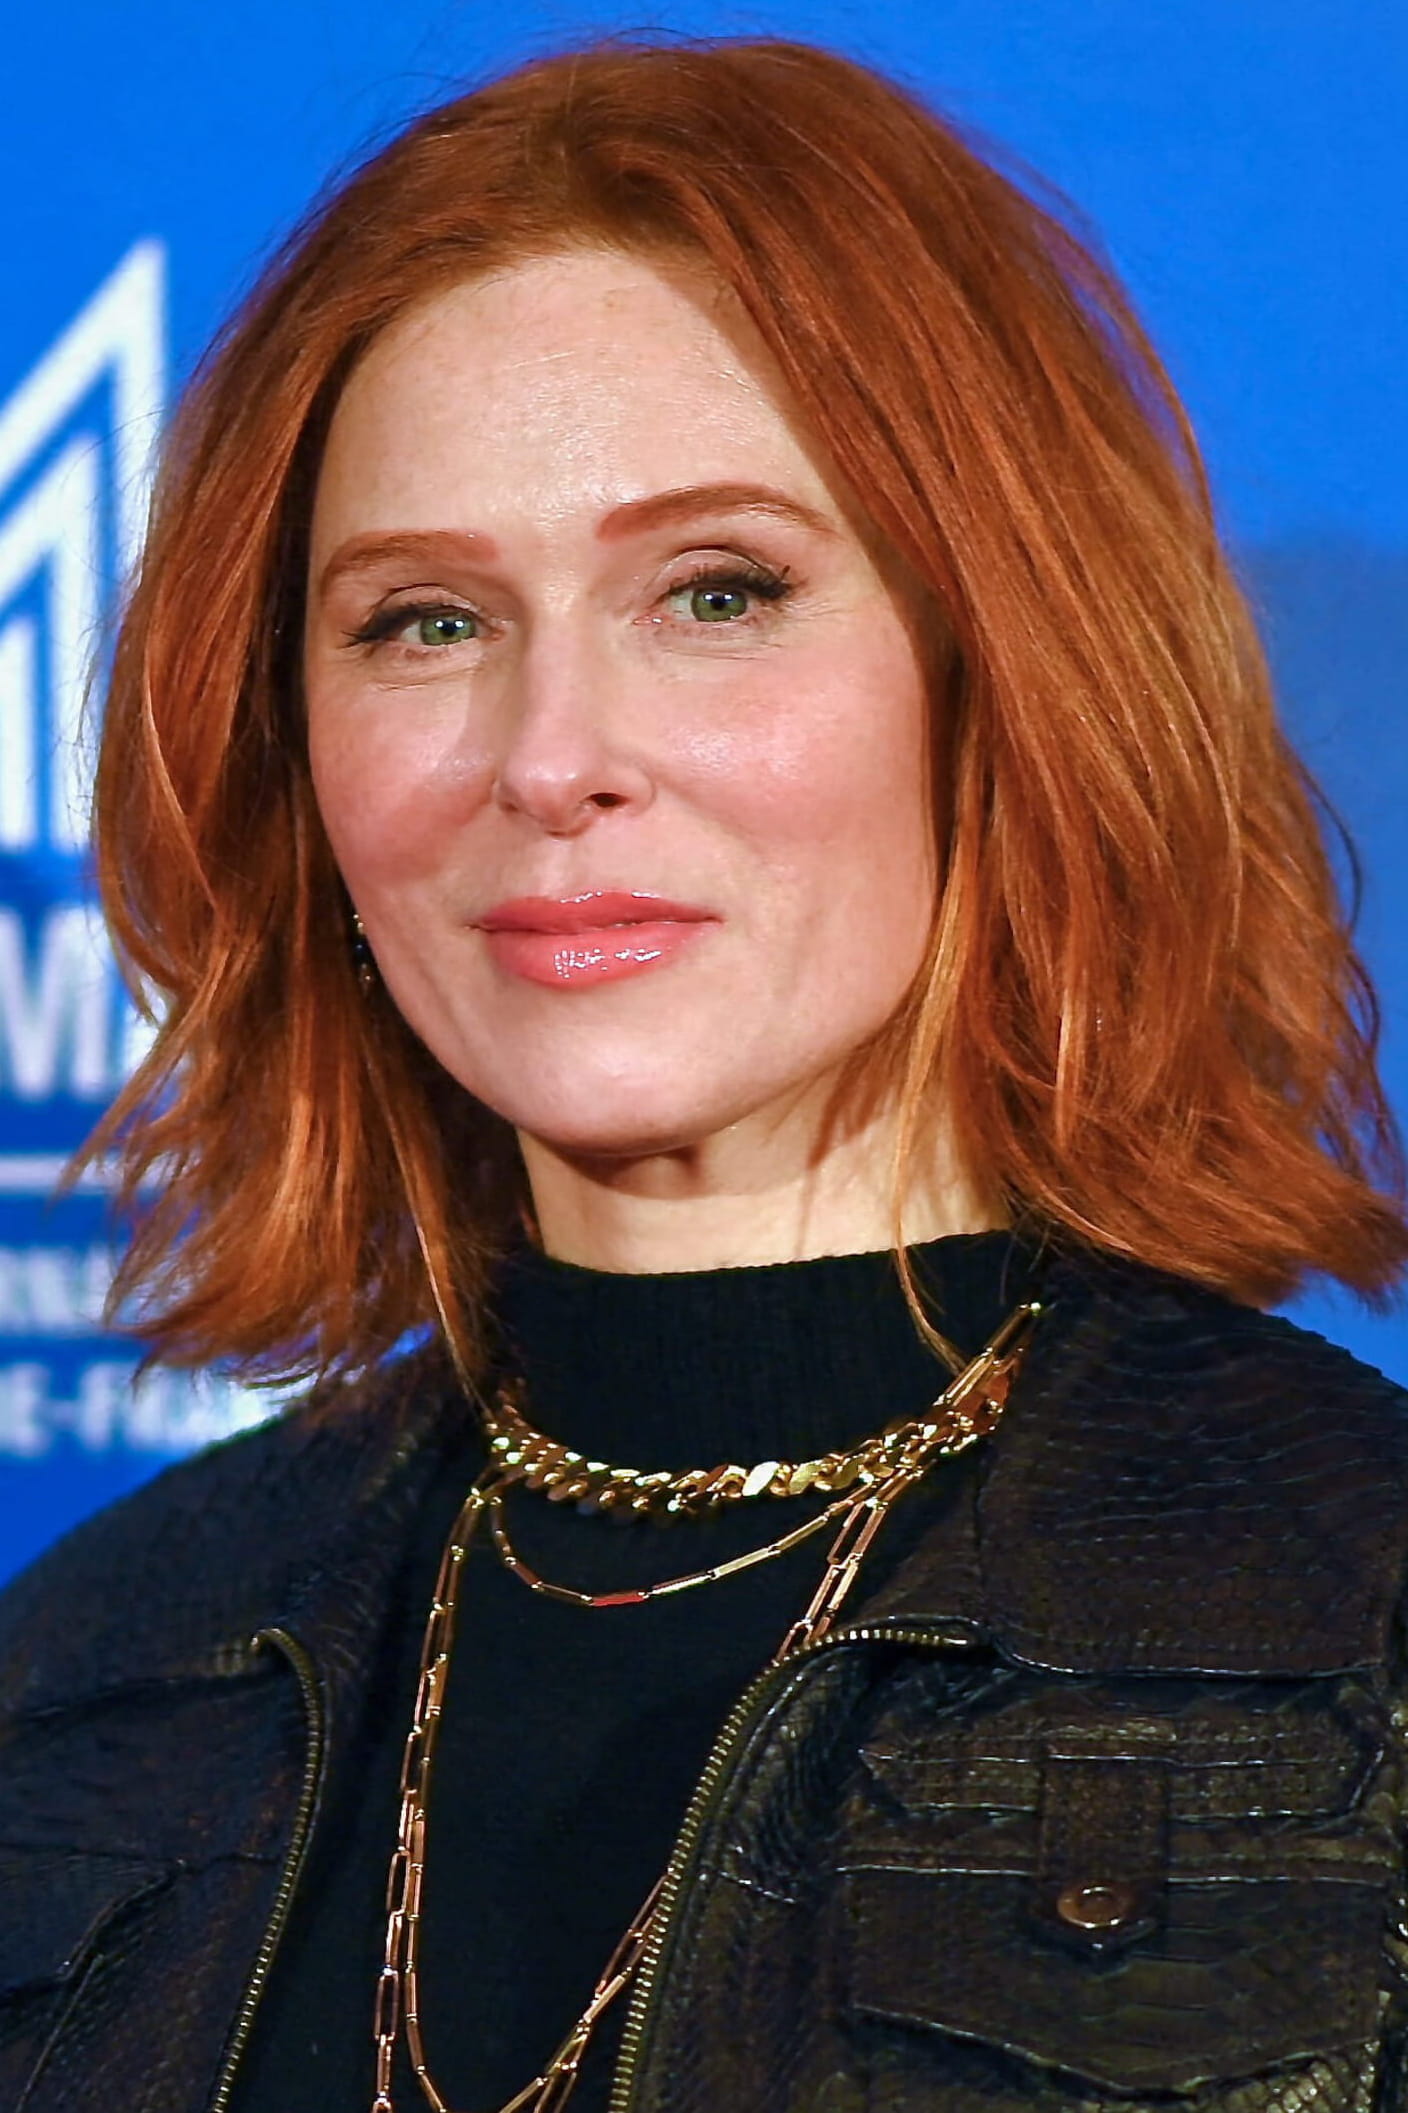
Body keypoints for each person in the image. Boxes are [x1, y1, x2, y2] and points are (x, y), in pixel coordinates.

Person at [3, 32, 1408, 2113]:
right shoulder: (94, 1675)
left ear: (1002, 669)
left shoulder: (1357, 1637)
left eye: (716, 590)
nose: (550, 755)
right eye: (424, 621)